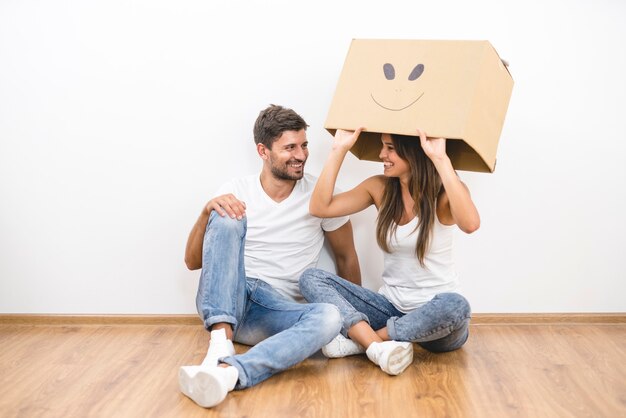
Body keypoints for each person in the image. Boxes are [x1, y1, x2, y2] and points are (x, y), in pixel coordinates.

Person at [179, 105, 361, 408]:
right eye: (289, 147)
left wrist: (354, 324)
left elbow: (347, 258)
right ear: (263, 151)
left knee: (329, 316)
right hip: (230, 295)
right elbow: (193, 262)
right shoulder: (237, 189)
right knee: (225, 214)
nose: (301, 155)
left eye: (303, 145)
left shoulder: (320, 193)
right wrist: (205, 212)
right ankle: (220, 342)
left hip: (275, 311)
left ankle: (230, 373)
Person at [299, 128, 478, 376]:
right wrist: (338, 149)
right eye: (383, 146)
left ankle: (365, 343)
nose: (382, 154)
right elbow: (320, 207)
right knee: (311, 278)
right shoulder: (380, 188)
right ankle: (377, 343)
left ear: (414, 152)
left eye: (390, 148)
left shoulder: (446, 193)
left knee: (456, 305)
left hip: (438, 322)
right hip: (390, 308)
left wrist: (440, 158)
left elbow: (470, 224)